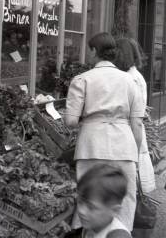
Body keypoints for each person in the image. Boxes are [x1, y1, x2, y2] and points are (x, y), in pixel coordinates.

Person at [64, 32, 144, 232]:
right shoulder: (131, 81)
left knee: (90, 200)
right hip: (124, 146)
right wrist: (134, 154)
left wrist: (89, 116)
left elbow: (71, 121)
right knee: (123, 202)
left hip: (91, 145)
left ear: (94, 51)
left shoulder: (82, 80)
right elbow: (137, 125)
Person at [115, 37, 155, 193]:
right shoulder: (132, 76)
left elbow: (136, 120)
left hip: (130, 134)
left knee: (127, 187)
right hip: (129, 132)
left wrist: (135, 151)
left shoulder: (132, 79)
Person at [77, 163, 132, 238]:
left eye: (91, 207)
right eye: (80, 202)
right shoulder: (93, 226)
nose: (81, 210)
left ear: (114, 210)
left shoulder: (118, 236)